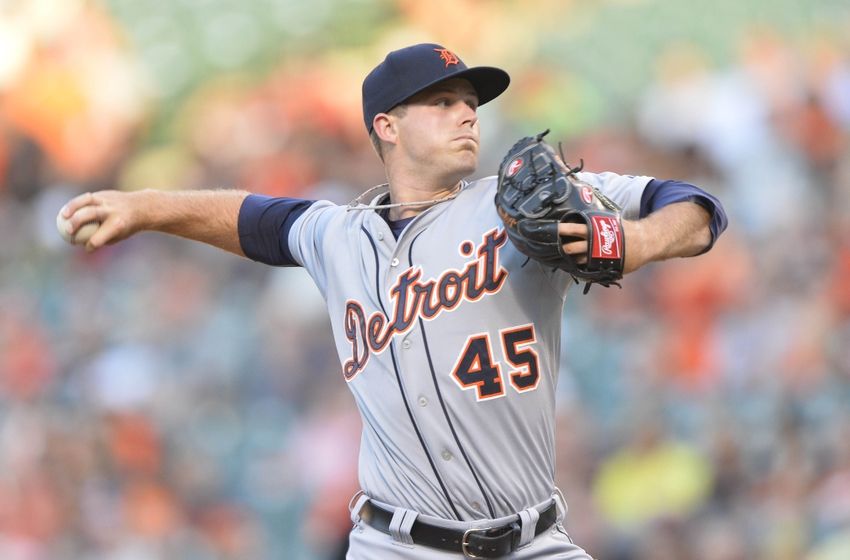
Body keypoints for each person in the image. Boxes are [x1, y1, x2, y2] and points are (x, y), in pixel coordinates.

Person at [60, 43, 727, 559]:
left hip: (532, 539)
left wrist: (635, 243)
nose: (468, 112)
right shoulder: (335, 235)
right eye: (442, 101)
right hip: (395, 543)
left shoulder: (515, 203)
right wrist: (145, 205)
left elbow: (697, 208)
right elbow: (250, 218)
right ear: (387, 125)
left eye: (471, 100)